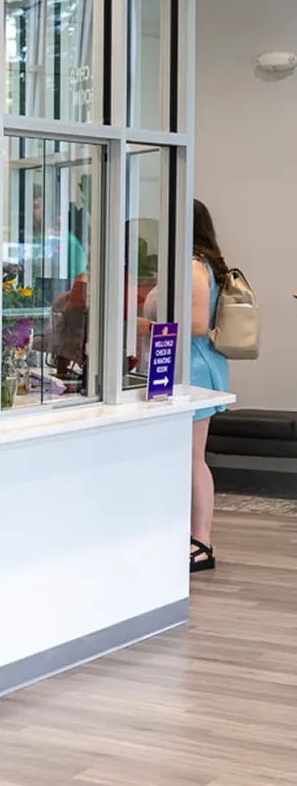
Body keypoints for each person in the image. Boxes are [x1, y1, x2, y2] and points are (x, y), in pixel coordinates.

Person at [189, 200, 234, 573]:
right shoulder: (199, 263)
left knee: (191, 460)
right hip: (192, 368)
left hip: (194, 369)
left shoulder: (192, 267)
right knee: (188, 460)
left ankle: (200, 542)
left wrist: (139, 323)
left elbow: (196, 325)